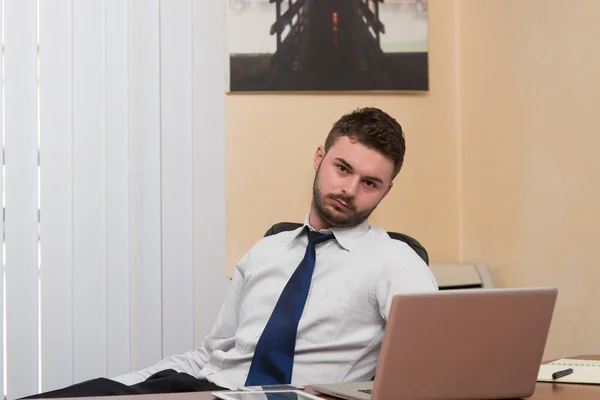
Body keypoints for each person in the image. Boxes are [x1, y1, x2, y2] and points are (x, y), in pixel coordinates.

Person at [25, 107, 437, 398]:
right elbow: (211, 353)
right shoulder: (268, 250)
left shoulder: (396, 263)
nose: (349, 189)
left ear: (387, 191)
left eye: (370, 182)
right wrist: (127, 386)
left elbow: (430, 367)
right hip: (205, 387)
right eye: (342, 168)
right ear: (319, 159)